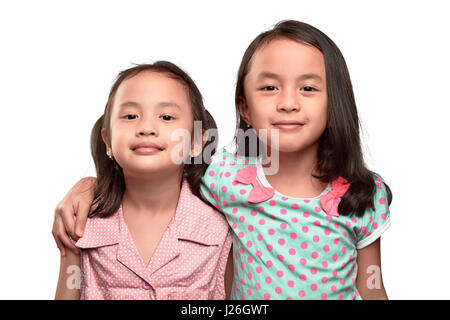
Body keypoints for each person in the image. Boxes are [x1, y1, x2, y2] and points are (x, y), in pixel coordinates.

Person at [53, 20, 392, 300]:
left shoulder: (362, 194)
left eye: (308, 88)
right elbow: (155, 173)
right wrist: (89, 186)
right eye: (270, 88)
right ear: (244, 107)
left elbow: (372, 286)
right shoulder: (225, 178)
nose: (288, 103)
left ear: (335, 107)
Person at [54, 62, 233, 299]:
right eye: (130, 115)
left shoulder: (218, 227)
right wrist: (69, 250)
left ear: (197, 143)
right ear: (107, 140)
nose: (146, 127)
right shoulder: (83, 223)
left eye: (166, 116)